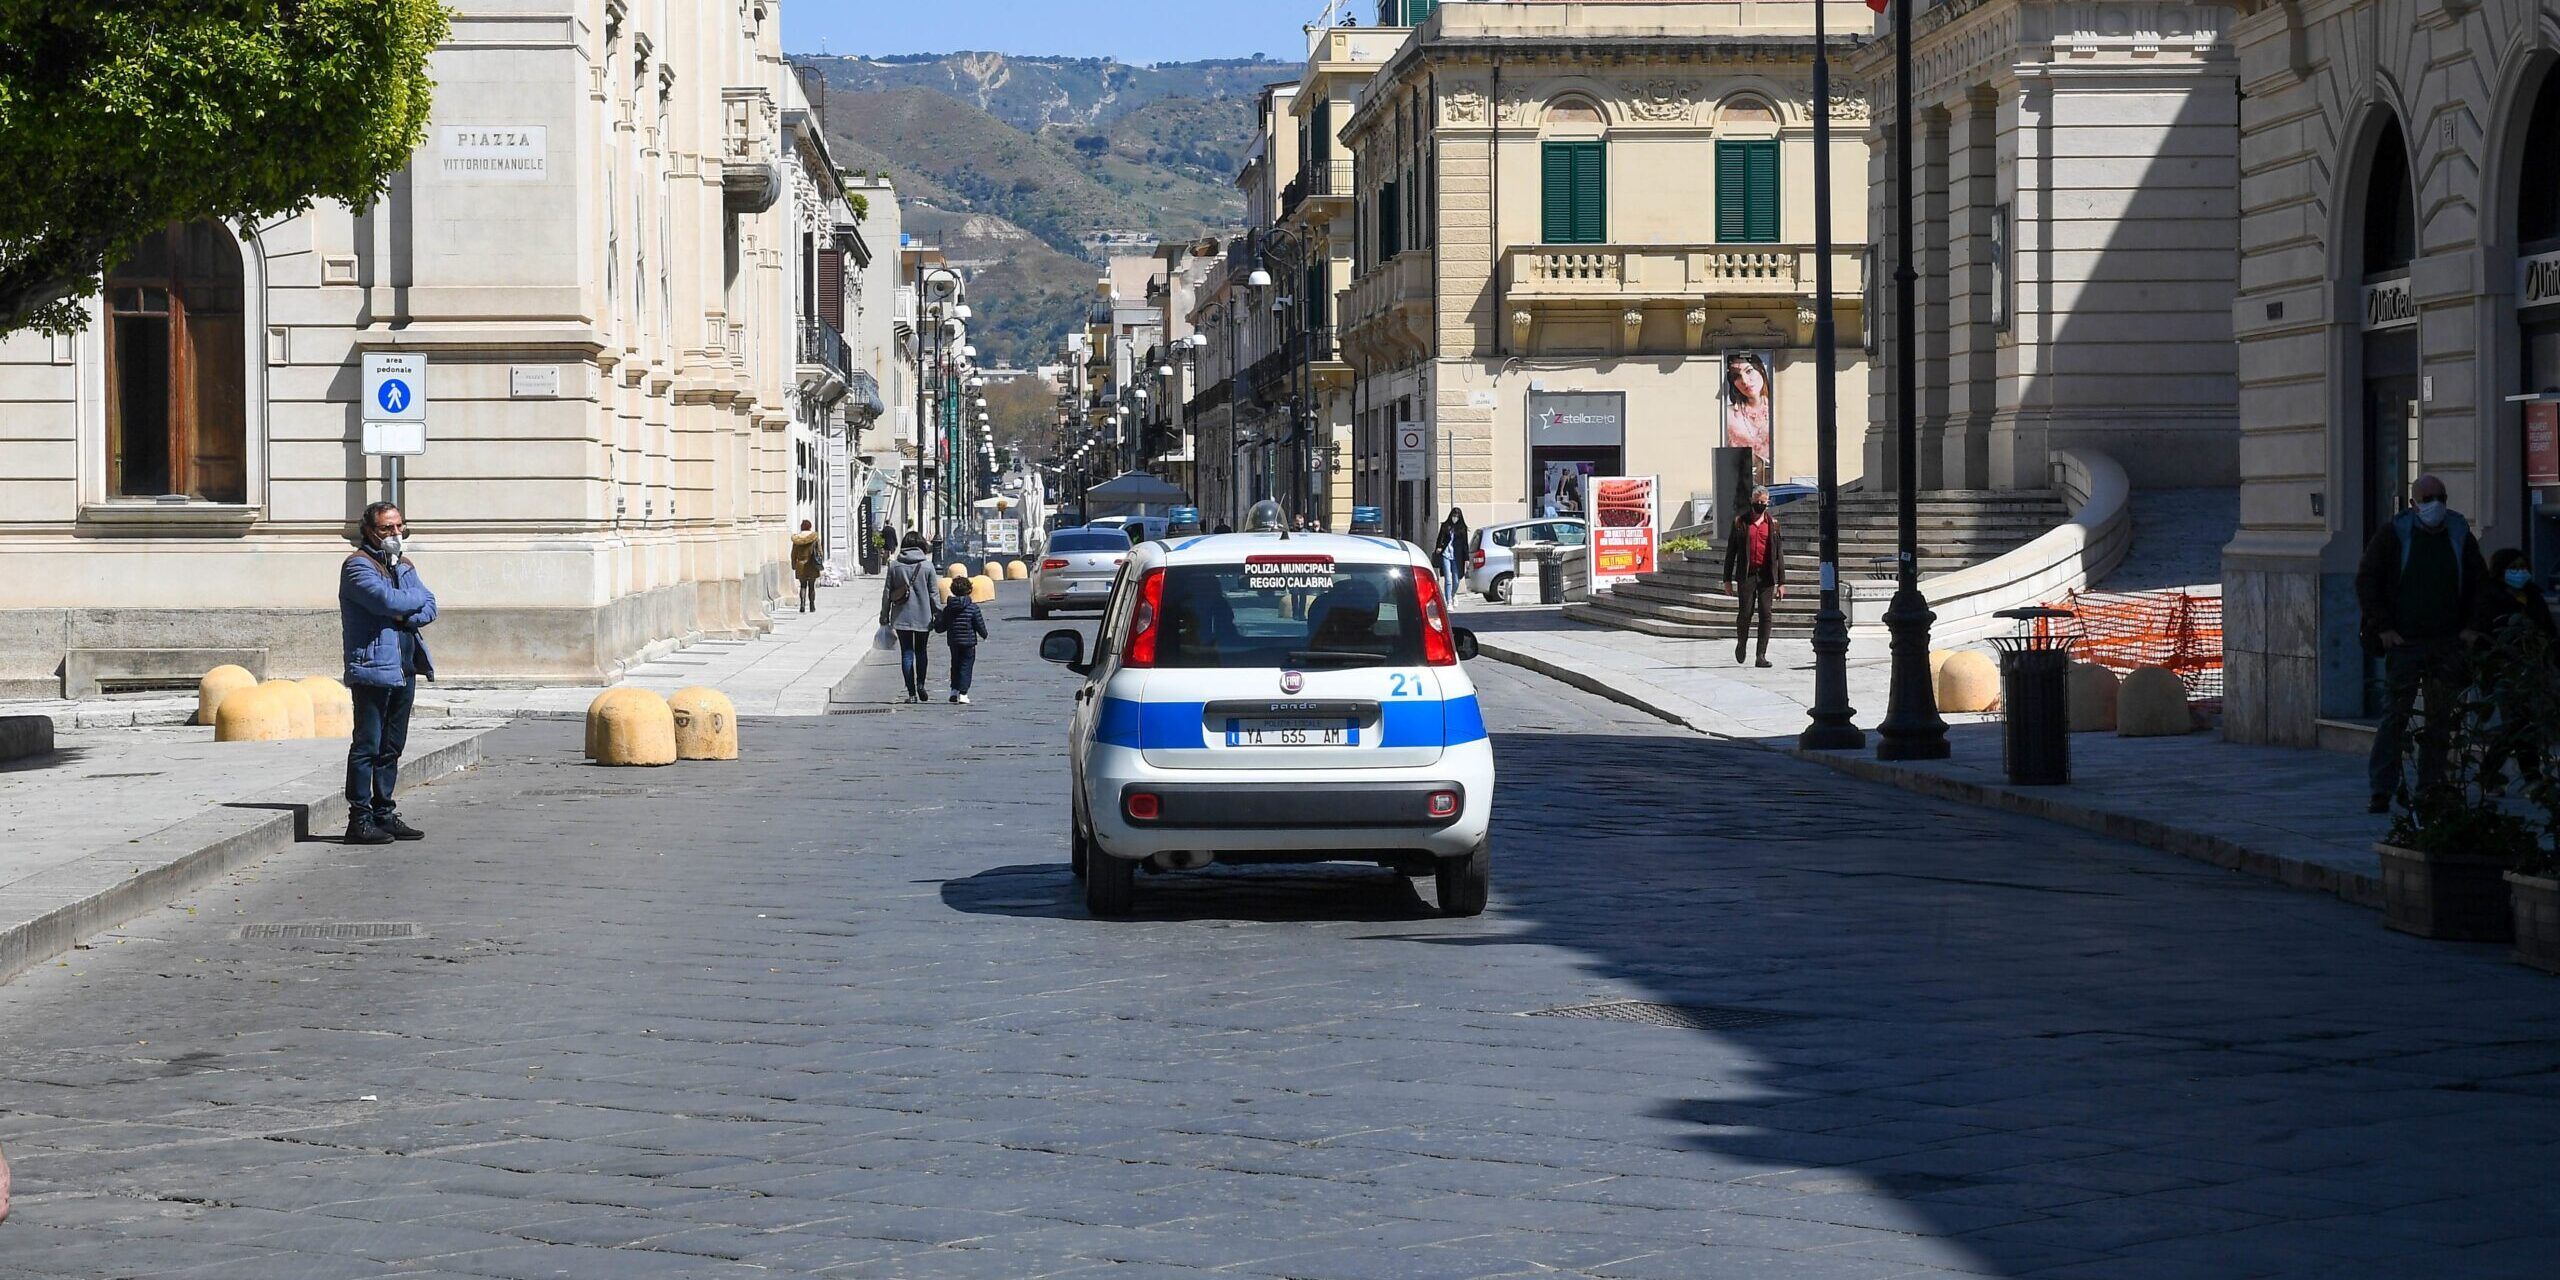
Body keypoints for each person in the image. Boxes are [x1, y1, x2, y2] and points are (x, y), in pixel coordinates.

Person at [2357, 473, 2487, 813]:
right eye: (2428, 498)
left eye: (2440, 497)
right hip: (2404, 641)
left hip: (2447, 641)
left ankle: (2430, 787)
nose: (2435, 505)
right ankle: (2381, 789)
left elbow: (2479, 583)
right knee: (2395, 716)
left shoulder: (2459, 534)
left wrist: (2472, 628)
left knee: (2440, 718)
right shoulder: (2393, 535)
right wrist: (2383, 626)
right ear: (2414, 504)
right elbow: (2367, 580)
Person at [340, 501, 437, 845]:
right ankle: (359, 819)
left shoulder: (404, 565)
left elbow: (430, 605)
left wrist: (404, 614)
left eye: (399, 527)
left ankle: (384, 812)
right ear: (369, 531)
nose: (395, 534)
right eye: (386, 528)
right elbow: (387, 603)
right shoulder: (357, 567)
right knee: (367, 744)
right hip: (373, 669)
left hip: (405, 668)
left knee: (392, 746)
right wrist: (405, 606)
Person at [2472, 548, 2554, 792]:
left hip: (2531, 668)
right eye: (2514, 568)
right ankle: (2530, 777)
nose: (2520, 572)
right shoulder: (2490, 597)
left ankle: (2504, 775)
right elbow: (2485, 634)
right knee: (2518, 722)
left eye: (2523, 567)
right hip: (2502, 668)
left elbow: (2547, 628)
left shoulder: (2532, 595)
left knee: (2522, 722)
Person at [1720, 485, 1785, 669]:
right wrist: (1727, 579)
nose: (1761, 506)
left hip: (1766, 576)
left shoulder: (1773, 525)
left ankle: (1761, 655)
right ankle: (1741, 643)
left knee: (1766, 614)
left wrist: (1782, 582)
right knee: (1745, 613)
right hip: (1747, 575)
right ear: (1752, 502)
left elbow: (1779, 554)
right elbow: (1730, 552)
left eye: (1764, 503)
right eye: (1758, 502)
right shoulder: (1741, 523)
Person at [882, 532, 940, 703]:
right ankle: (921, 684)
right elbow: (933, 594)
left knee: (907, 653)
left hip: (901, 616)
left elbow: (887, 593)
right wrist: (938, 613)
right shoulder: (928, 566)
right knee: (921, 651)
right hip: (924, 615)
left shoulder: (894, 566)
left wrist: (884, 615)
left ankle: (911, 693)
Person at [933, 576, 991, 704]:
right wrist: (984, 634)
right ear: (969, 590)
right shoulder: (973, 608)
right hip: (969, 642)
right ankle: (963, 693)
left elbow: (942, 626)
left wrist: (936, 623)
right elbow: (979, 623)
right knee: (966, 666)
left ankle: (954, 690)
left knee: (955, 665)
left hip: (953, 642)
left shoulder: (948, 608)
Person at [1724, 352, 1774, 474]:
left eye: (1749, 371)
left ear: (1761, 370)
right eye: (1736, 376)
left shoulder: (1779, 410)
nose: (1745, 381)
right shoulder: (1728, 415)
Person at [1434, 507, 1470, 589]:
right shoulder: (1445, 526)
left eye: (1457, 516)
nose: (1455, 518)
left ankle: (1453, 595)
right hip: (1446, 554)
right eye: (1454, 516)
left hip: (1457, 556)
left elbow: (1465, 544)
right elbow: (1439, 538)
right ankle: (1449, 600)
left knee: (1456, 580)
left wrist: (1467, 559)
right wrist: (1439, 547)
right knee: (1448, 579)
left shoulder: (1462, 528)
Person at [791, 520, 822, 612]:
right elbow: (820, 551)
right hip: (812, 564)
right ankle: (812, 605)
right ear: (810, 527)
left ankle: (802, 604)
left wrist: (793, 564)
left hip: (800, 564)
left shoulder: (797, 539)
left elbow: (793, 554)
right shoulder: (814, 538)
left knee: (803, 585)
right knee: (811, 586)